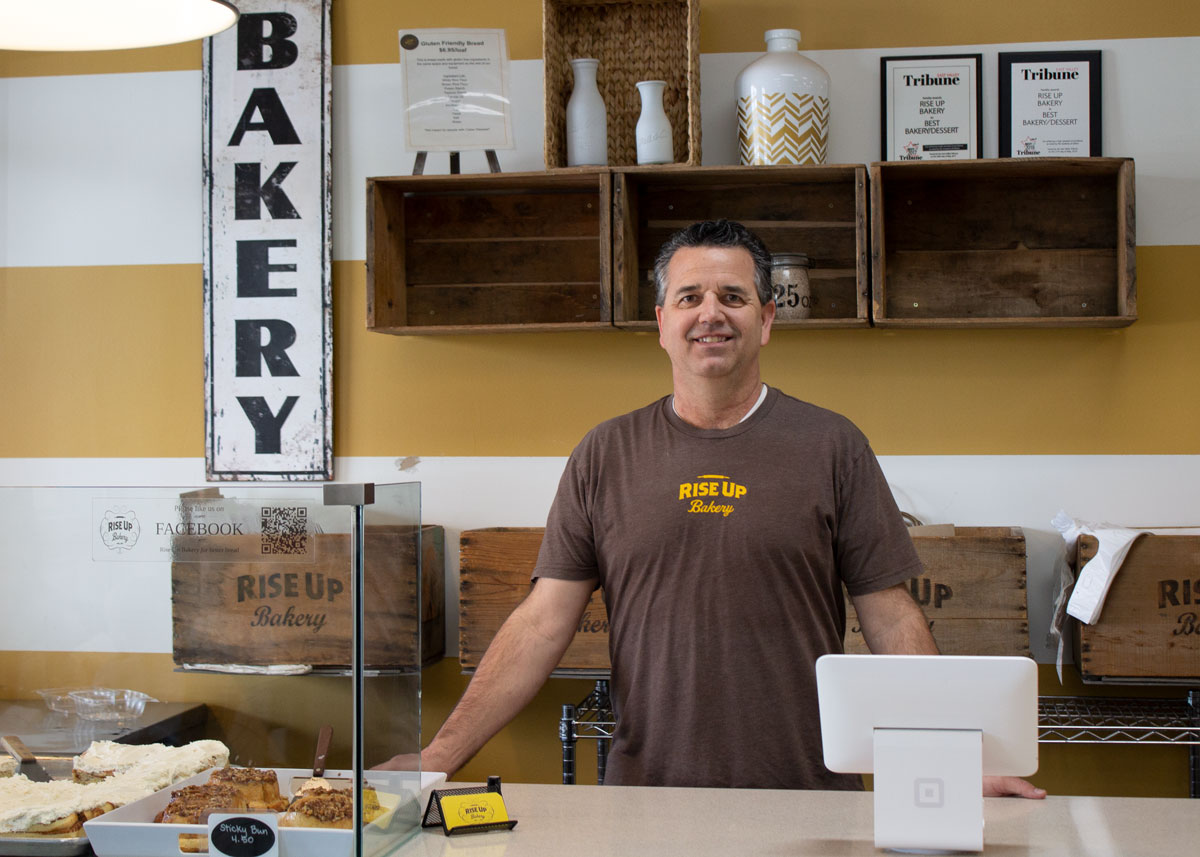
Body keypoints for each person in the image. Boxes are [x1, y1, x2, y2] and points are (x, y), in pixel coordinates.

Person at [379, 219, 1044, 798]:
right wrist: (440, 756)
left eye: (733, 296)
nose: (711, 313)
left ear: (767, 318)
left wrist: (957, 757)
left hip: (807, 794)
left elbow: (892, 619)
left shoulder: (834, 445)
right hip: (647, 800)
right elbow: (539, 625)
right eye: (689, 296)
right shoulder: (604, 454)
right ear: (662, 322)